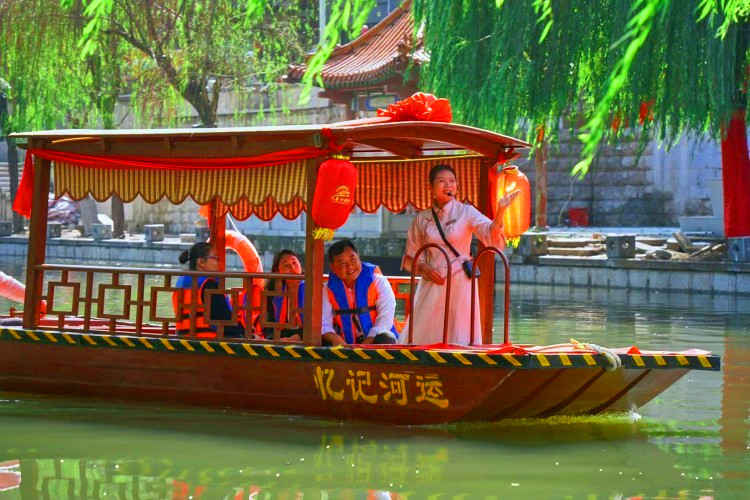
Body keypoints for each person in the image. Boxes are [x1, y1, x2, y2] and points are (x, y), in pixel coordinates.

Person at [401, 164, 519, 345]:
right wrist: (424, 268)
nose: (448, 185)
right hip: (432, 279)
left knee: (459, 329)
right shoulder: (422, 217)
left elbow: (489, 234)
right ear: (431, 187)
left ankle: (461, 356)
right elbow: (413, 252)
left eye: (452, 181)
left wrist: (501, 211)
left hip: (460, 280)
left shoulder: (466, 211)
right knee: (424, 329)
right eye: (442, 181)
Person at [322, 239, 398, 346]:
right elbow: (323, 322)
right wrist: (335, 339)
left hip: (375, 341)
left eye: (352, 259)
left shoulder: (379, 281)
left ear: (358, 257)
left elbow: (386, 318)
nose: (350, 266)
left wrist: (366, 344)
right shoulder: (328, 289)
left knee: (386, 337)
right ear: (333, 268)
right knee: (321, 338)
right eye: (342, 263)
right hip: (344, 343)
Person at [173, 242, 245, 338]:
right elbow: (226, 320)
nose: (219, 262)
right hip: (207, 341)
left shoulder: (180, 282)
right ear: (201, 262)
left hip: (183, 338)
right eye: (215, 258)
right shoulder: (209, 285)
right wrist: (248, 334)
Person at [262, 250, 305, 342]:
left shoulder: (313, 288)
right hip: (282, 338)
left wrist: (298, 337)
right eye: (286, 265)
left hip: (306, 337)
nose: (292, 267)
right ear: (278, 272)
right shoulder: (274, 294)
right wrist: (274, 338)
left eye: (294, 262)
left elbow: (320, 324)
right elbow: (268, 325)